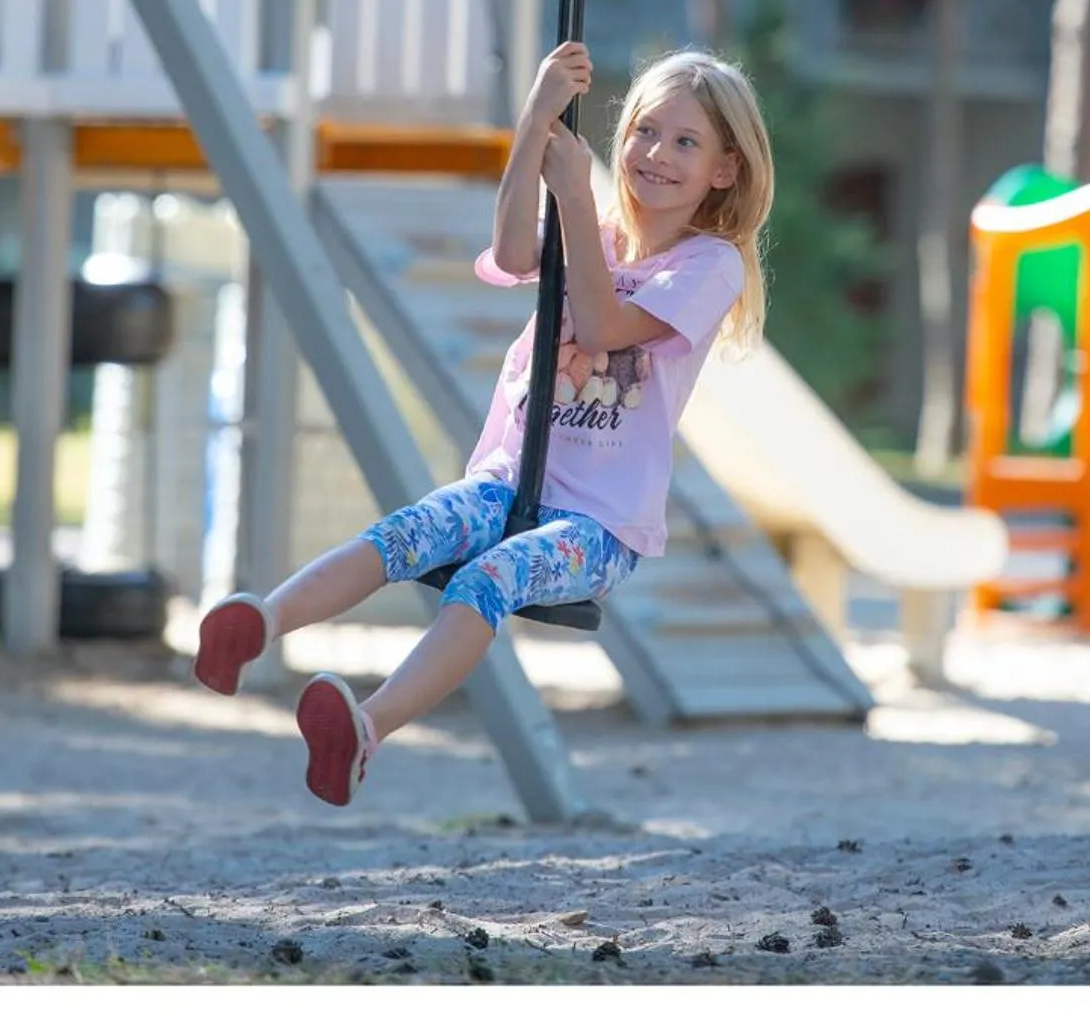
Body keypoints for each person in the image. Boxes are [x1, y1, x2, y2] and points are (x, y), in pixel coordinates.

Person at [191, 42, 774, 806]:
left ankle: (365, 729)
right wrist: (535, 121)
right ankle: (261, 623)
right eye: (644, 131)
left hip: (601, 523)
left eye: (686, 141)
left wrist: (570, 197)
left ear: (724, 169)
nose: (657, 154)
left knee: (488, 576)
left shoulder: (708, 265)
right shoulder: (592, 231)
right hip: (508, 477)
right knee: (410, 529)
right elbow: (507, 248)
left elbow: (599, 327)